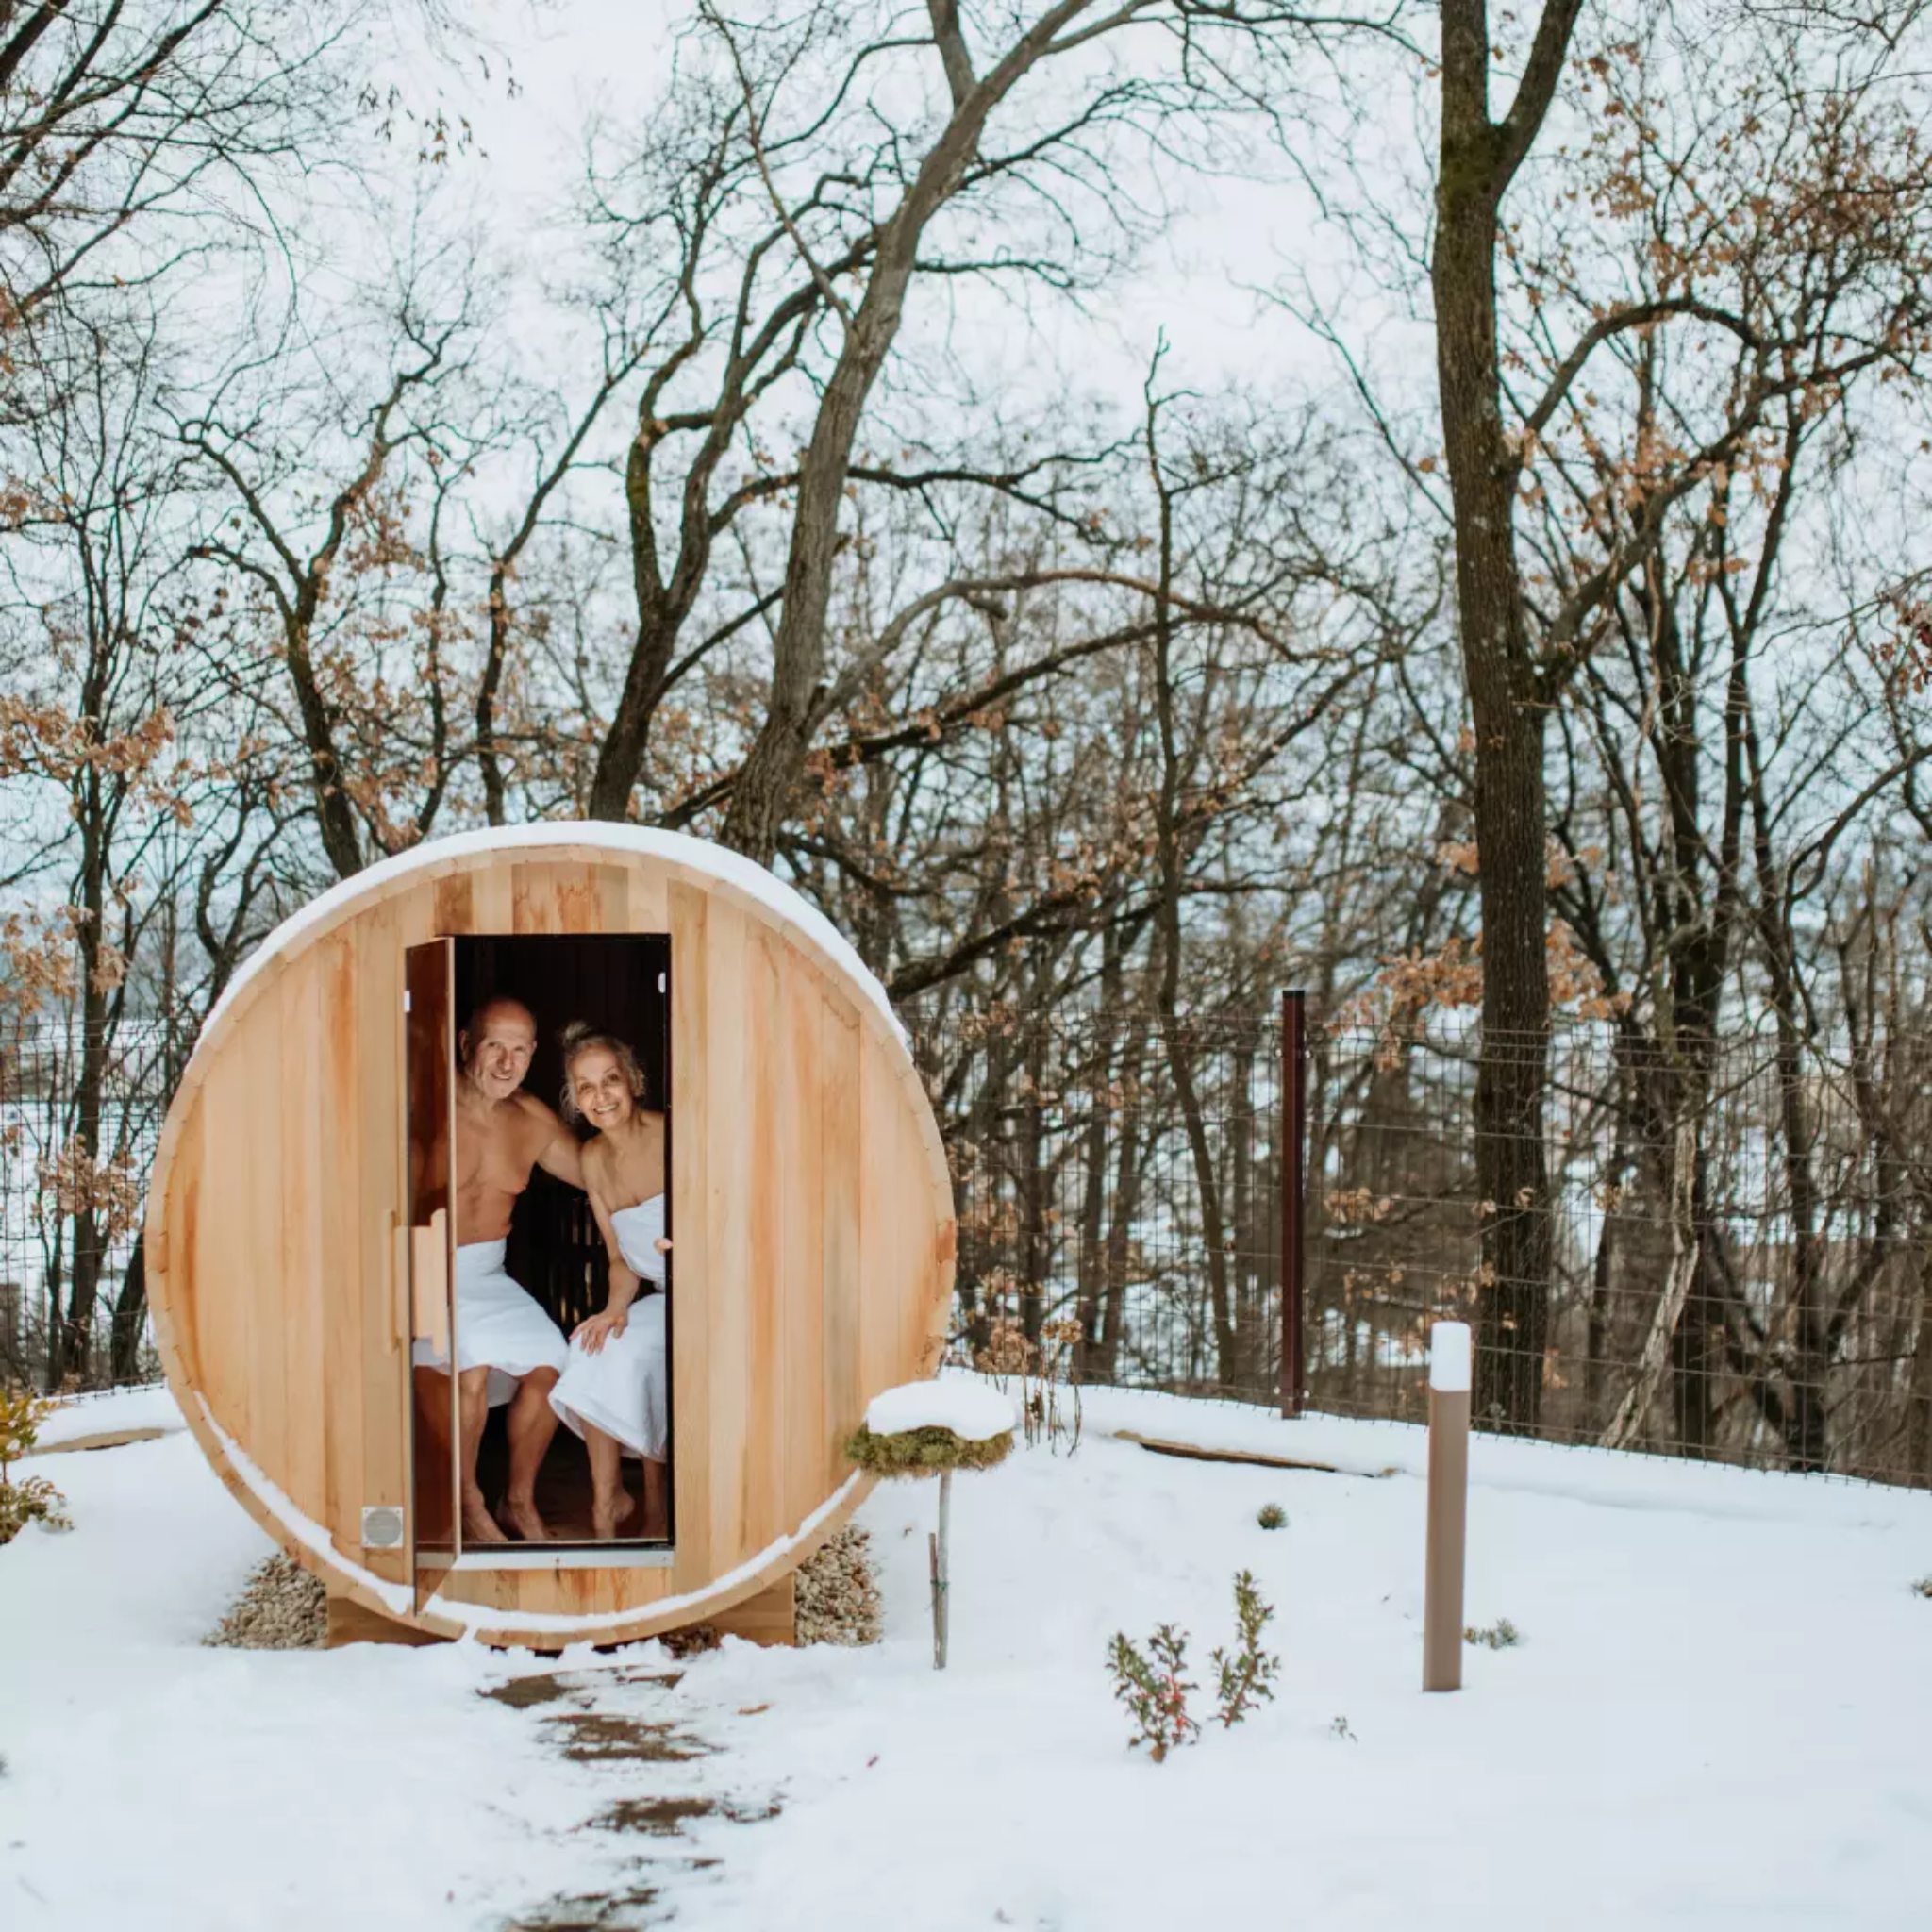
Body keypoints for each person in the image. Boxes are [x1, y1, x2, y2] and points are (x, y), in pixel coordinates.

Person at [413, 994, 579, 1543]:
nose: (508, 1064)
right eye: (494, 1047)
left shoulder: (531, 1120)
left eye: (520, 1051)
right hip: (425, 1271)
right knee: (473, 1367)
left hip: (487, 1274)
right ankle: (467, 1502)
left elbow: (601, 1175)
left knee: (552, 1364)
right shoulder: (424, 1108)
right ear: (466, 1045)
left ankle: (518, 1500)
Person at [548, 1023, 672, 1541]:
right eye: (586, 1087)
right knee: (592, 1346)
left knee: (651, 1356)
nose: (601, 1096)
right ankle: (608, 1500)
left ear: (634, 1080)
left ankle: (658, 1503)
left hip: (713, 1295)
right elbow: (620, 1259)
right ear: (575, 1101)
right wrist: (614, 1309)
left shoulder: (673, 1135)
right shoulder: (592, 1159)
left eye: (611, 1080)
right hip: (661, 1297)